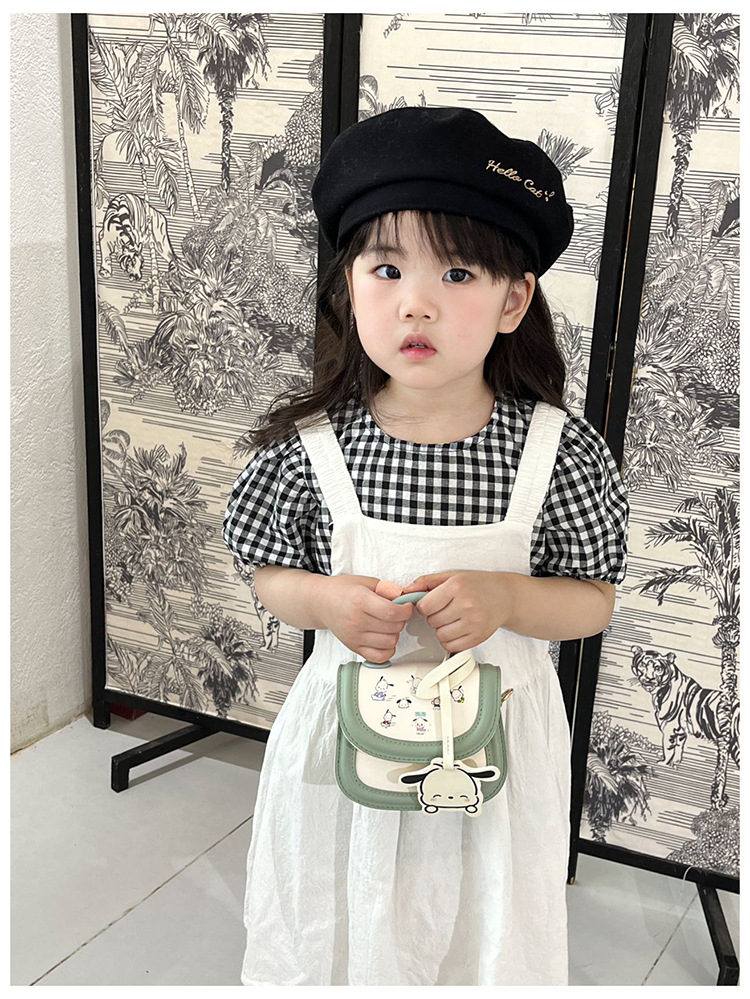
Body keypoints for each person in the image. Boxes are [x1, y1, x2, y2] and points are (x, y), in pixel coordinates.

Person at [223, 106, 629, 986]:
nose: (416, 300)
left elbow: (593, 598)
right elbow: (267, 571)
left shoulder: (557, 453)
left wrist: (509, 598)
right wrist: (325, 600)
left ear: (513, 299)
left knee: (483, 924)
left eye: (456, 270)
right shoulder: (313, 448)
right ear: (350, 286)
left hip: (495, 751)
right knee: (342, 910)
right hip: (345, 738)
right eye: (386, 268)